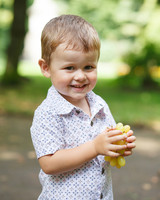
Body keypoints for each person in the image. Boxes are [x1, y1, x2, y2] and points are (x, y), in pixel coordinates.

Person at [30, 14, 136, 200]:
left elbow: (105, 146)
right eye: (70, 68)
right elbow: (49, 164)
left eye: (88, 67)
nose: (80, 76)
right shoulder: (47, 113)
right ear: (46, 67)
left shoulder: (99, 105)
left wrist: (117, 145)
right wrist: (95, 147)